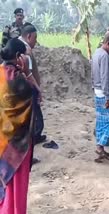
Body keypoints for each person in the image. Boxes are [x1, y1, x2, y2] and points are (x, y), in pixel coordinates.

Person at [0, 38, 37, 214]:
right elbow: (37, 94)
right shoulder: (17, 79)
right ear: (17, 56)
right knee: (17, 184)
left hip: (1, 139)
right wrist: (28, 72)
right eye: (23, 55)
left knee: (4, 181)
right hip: (17, 144)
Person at [91, 32, 109, 162]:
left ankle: (101, 148)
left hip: (97, 91)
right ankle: (100, 145)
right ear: (108, 43)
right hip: (104, 93)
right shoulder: (104, 56)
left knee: (102, 121)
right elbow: (104, 77)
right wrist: (107, 96)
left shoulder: (96, 53)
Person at [19, 24, 47, 145]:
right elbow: (28, 75)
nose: (36, 41)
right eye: (35, 38)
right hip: (27, 91)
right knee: (34, 120)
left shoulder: (16, 45)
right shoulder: (26, 51)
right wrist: (36, 90)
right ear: (29, 36)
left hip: (16, 89)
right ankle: (31, 142)